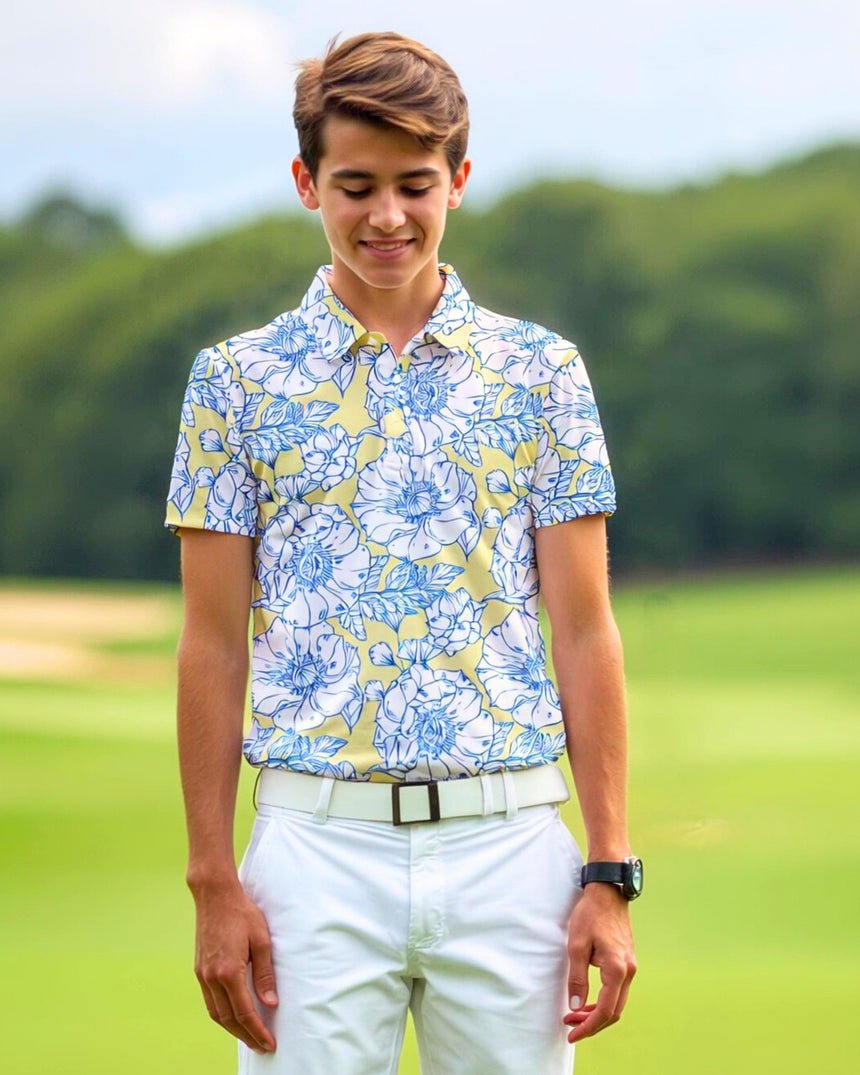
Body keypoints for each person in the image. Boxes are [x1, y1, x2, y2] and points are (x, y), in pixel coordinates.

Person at [165, 31, 640, 1075]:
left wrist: (607, 867)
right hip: (311, 849)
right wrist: (213, 880)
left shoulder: (540, 373)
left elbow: (581, 625)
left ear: (458, 182)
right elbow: (210, 644)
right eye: (356, 185)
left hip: (511, 844)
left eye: (415, 185)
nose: (386, 216)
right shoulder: (232, 383)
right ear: (306, 184)